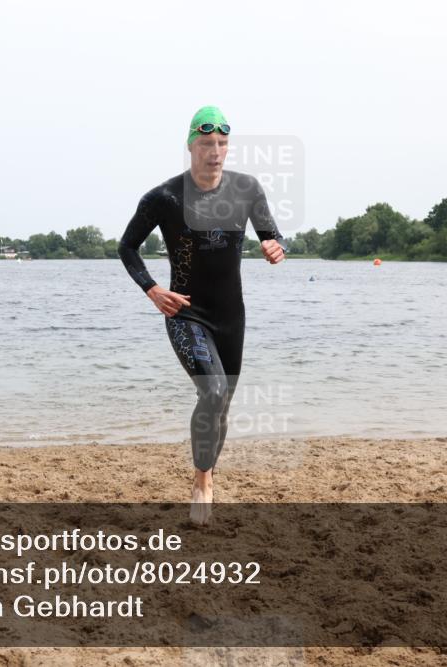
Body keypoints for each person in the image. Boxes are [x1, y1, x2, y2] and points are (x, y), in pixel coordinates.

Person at [118, 106, 286, 524]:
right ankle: (203, 484)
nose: (215, 151)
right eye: (207, 143)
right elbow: (127, 247)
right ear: (191, 144)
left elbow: (271, 234)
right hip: (185, 312)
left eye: (222, 144)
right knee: (212, 393)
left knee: (221, 403)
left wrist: (274, 246)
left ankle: (206, 472)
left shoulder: (246, 190)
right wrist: (153, 289)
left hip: (231, 315)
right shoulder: (165, 198)